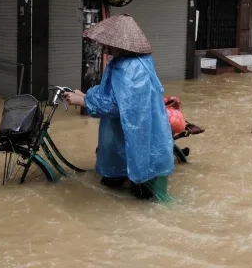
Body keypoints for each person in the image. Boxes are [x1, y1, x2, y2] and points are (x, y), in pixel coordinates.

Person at [64, 14, 174, 200]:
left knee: (142, 198)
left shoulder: (130, 69)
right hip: (128, 135)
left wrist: (84, 102)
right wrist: (87, 95)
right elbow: (110, 92)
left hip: (136, 137)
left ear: (120, 44)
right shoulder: (130, 62)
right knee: (119, 183)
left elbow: (118, 107)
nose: (103, 46)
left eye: (107, 43)